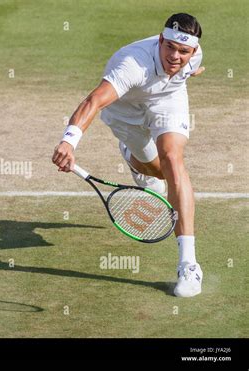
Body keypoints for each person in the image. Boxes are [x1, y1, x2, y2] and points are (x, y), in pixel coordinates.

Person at [52, 13, 205, 297]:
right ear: (160, 39)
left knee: (173, 161)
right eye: (169, 47)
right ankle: (138, 166)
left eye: (183, 51)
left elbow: (188, 65)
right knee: (155, 170)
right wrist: (68, 141)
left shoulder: (192, 57)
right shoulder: (133, 65)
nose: (174, 55)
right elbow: (93, 100)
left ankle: (189, 265)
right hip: (125, 114)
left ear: (193, 51)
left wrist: (191, 70)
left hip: (167, 100)